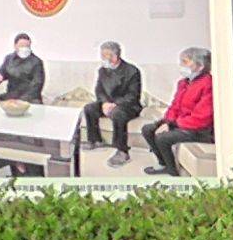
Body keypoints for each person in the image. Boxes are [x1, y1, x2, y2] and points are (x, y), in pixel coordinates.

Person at [143, 46, 216, 176]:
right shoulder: (183, 83)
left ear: (200, 66)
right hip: (181, 123)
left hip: (199, 130)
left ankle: (172, 171)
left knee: (162, 138)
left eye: (185, 62)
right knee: (148, 129)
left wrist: (173, 125)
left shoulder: (208, 84)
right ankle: (163, 163)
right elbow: (175, 106)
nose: (181, 65)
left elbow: (202, 118)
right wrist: (166, 121)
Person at [83, 40, 144, 168]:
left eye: (106, 55)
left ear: (115, 56)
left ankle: (122, 151)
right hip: (108, 103)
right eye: (102, 55)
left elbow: (133, 95)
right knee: (89, 108)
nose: (103, 58)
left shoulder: (132, 71)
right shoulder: (102, 70)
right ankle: (95, 140)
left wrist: (114, 104)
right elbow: (99, 90)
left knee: (118, 114)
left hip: (128, 105)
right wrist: (104, 103)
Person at [0, 33, 45, 103]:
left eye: (27, 46)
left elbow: (37, 85)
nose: (24, 48)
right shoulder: (9, 59)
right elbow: (2, 71)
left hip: (30, 98)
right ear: (15, 46)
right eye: (22, 46)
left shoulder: (36, 62)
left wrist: (21, 100)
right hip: (11, 95)